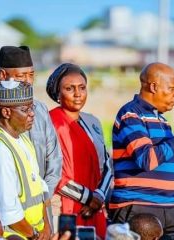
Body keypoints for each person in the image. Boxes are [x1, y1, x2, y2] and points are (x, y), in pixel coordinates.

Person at [109, 62, 174, 238]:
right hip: (138, 206)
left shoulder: (161, 119)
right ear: (153, 87)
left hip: (167, 207)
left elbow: (163, 158)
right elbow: (147, 159)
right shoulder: (131, 114)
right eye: (172, 88)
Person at [0, 46, 62, 222]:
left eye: (31, 75)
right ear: (3, 75)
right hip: (6, 220)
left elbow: (54, 161)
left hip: (42, 215)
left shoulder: (41, 110)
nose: (28, 81)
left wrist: (43, 201)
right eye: (22, 76)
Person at [46, 63, 113, 239]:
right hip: (62, 205)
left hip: (96, 205)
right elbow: (51, 171)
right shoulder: (50, 123)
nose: (78, 94)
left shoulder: (93, 122)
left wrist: (99, 195)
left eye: (82, 88)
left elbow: (106, 162)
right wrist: (88, 198)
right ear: (57, 94)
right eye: (70, 88)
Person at [0, 80, 50, 239]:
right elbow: (8, 214)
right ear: (6, 112)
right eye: (25, 109)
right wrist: (36, 235)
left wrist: (46, 226)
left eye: (32, 108)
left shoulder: (23, 140)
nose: (32, 114)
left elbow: (39, 188)